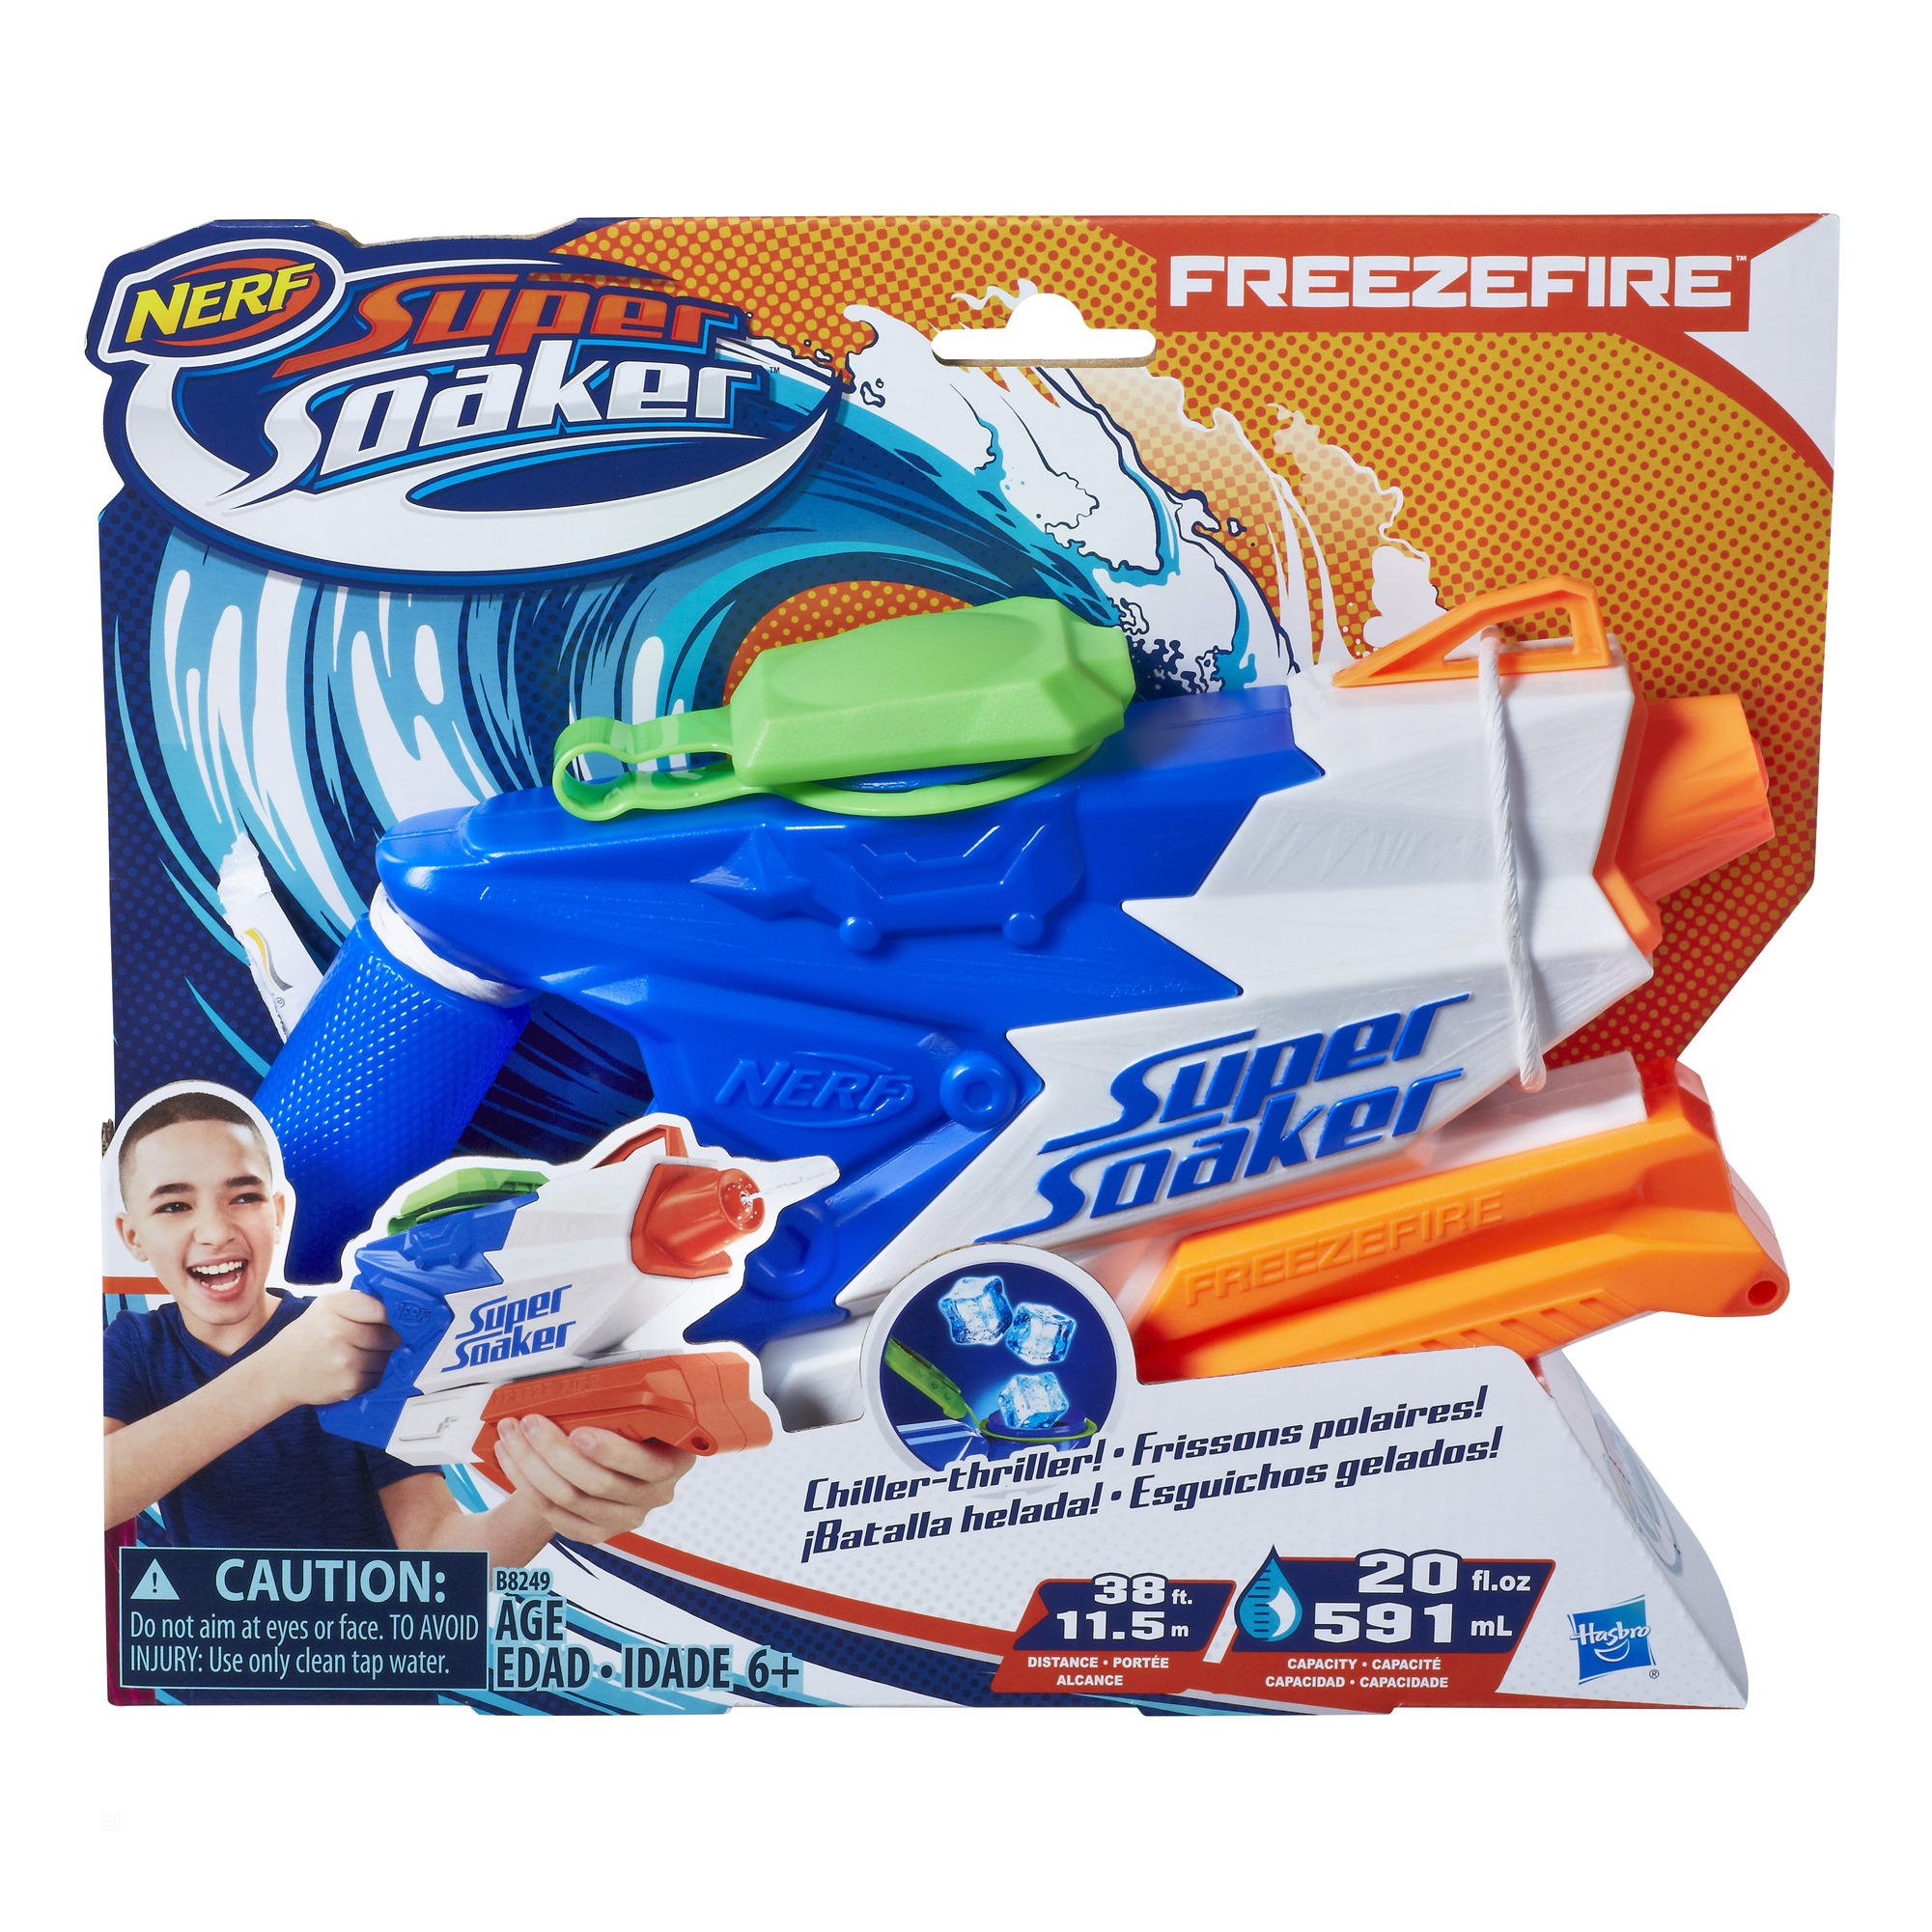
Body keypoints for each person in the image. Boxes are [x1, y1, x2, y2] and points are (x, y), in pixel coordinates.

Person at [103, 1087, 691, 1559]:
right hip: (215, 1669)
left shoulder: (356, 1340)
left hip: (374, 1664)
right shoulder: (134, 1346)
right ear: (133, 1236)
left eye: (244, 1197)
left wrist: (552, 1495)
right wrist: (277, 1375)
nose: (214, 1231)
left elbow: (439, 1550)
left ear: (279, 1212)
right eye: (174, 1205)